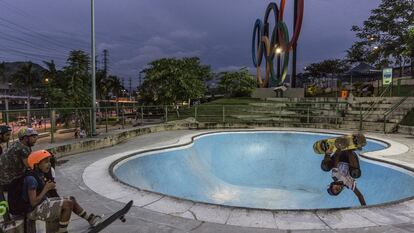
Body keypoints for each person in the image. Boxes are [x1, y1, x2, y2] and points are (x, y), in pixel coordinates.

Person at [9, 150, 101, 233]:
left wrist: (50, 190)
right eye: (45, 162)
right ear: (36, 165)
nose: (49, 164)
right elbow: (33, 203)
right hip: (32, 211)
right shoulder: (31, 179)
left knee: (71, 199)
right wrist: (46, 188)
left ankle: (90, 219)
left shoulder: (39, 174)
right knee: (67, 204)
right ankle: (62, 231)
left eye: (49, 161)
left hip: (41, 204)